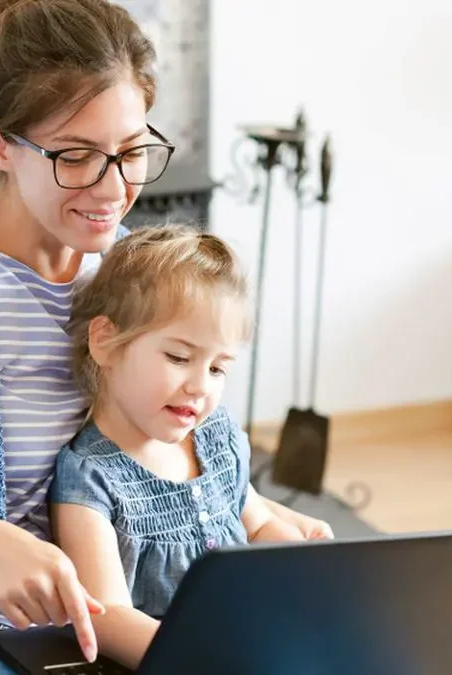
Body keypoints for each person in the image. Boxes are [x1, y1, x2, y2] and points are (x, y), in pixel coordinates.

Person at [0, 1, 332, 673]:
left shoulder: (138, 274)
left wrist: (263, 518)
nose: (115, 187)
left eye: (133, 151)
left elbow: (174, 452)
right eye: (77, 156)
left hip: (134, 628)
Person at [49, 225, 311, 669]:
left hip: (249, 639)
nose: (199, 386)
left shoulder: (217, 438)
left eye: (217, 368)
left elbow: (259, 523)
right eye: (178, 357)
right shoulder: (90, 476)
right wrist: (209, 660)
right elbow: (108, 618)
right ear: (106, 342)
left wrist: (310, 575)